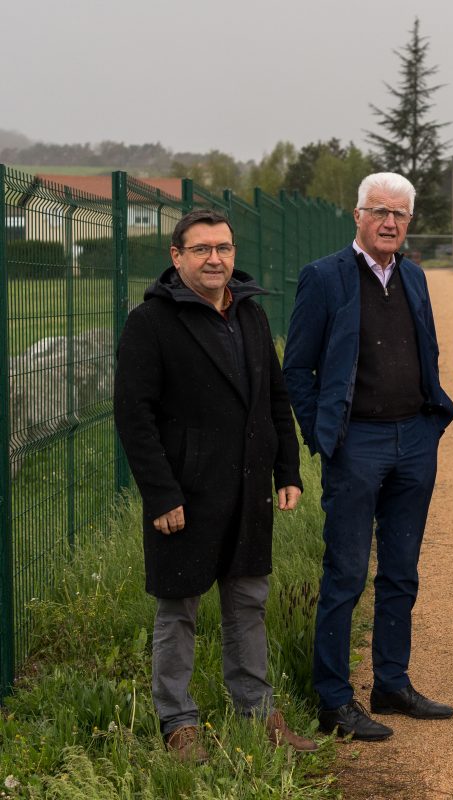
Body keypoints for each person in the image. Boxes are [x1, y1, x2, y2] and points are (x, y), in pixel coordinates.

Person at [114, 209, 314, 762]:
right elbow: (134, 416)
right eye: (201, 249)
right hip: (186, 494)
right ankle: (177, 722)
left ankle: (257, 710)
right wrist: (161, 494)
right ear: (176, 257)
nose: (215, 259)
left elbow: (275, 398)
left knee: (248, 601)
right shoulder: (150, 323)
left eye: (223, 248)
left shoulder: (247, 313)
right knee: (178, 607)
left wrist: (288, 471)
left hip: (248, 488)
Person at [283, 172, 453, 742]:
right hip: (356, 444)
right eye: (379, 211)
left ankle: (392, 682)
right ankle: (333, 699)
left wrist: (429, 428)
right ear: (356, 215)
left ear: (409, 223)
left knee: (401, 573)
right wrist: (324, 437)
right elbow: (298, 372)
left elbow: (425, 350)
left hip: (414, 441)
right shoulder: (324, 278)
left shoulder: (412, 274)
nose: (389, 223)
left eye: (399, 215)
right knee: (346, 574)